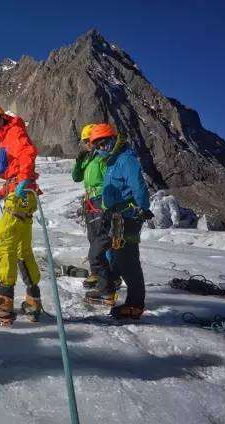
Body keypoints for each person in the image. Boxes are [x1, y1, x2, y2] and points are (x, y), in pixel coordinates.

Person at [0, 105, 42, 325]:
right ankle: (33, 303)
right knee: (23, 250)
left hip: (20, 194)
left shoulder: (13, 132)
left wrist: (22, 180)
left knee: (5, 246)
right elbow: (15, 173)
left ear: (4, 118)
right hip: (24, 194)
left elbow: (27, 154)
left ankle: (4, 306)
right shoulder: (7, 137)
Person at [86, 124, 153, 319]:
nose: (102, 147)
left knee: (128, 260)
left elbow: (138, 186)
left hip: (128, 217)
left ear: (114, 140)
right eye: (97, 145)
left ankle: (135, 305)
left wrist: (143, 208)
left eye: (105, 142)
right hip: (115, 216)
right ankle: (107, 288)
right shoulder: (112, 162)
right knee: (107, 254)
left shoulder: (126, 159)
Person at [73, 124, 120, 304]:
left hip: (100, 200)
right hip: (91, 201)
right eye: (85, 142)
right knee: (94, 239)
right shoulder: (90, 159)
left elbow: (108, 179)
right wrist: (79, 161)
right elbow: (76, 177)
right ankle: (101, 276)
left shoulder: (101, 159)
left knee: (101, 242)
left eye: (88, 141)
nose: (87, 145)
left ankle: (108, 281)